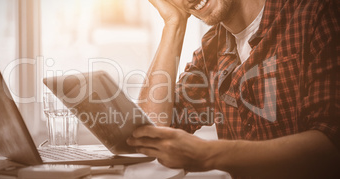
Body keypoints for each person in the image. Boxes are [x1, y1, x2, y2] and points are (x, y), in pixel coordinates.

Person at [126, 0, 340, 178]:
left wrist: (209, 154)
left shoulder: (318, 13)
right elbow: (151, 132)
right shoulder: (211, 49)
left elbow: (331, 143)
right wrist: (174, 24)